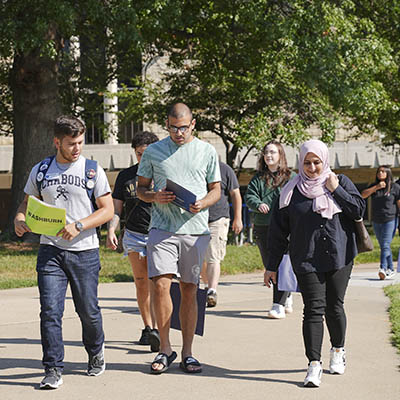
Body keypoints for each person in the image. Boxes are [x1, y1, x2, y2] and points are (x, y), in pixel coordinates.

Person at [14, 116, 114, 389]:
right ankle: (53, 368)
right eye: (71, 143)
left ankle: (95, 351)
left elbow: (108, 210)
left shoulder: (92, 171)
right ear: (57, 142)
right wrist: (20, 219)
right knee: (50, 311)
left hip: (85, 251)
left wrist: (79, 225)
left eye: (80, 142)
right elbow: (26, 203)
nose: (77, 148)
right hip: (50, 252)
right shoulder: (41, 170)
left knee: (88, 311)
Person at [264, 139, 365, 388]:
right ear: (300, 163)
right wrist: (271, 265)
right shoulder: (289, 191)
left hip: (339, 256)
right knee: (312, 310)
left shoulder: (340, 181)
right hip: (306, 258)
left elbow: (358, 209)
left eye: (317, 162)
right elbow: (277, 232)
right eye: (307, 163)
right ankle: (314, 364)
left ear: (325, 161)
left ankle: (338, 351)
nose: (312, 168)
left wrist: (336, 190)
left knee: (334, 306)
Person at [137, 102, 221, 375]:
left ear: (192, 124)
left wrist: (202, 203)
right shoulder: (153, 151)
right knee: (161, 285)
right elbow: (140, 189)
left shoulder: (207, 151)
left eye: (184, 127)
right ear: (167, 125)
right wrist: (154, 197)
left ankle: (188, 352)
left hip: (195, 230)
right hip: (162, 228)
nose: (179, 133)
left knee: (189, 289)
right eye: (174, 128)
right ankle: (164, 348)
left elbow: (216, 190)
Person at [106, 131, 160, 351]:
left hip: (160, 235)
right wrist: (111, 229)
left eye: (147, 154)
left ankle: (160, 328)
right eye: (139, 154)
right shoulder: (125, 177)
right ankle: (148, 328)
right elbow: (116, 209)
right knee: (141, 282)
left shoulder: (165, 175)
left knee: (159, 283)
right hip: (135, 235)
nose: (143, 159)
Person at [245, 140, 296, 319]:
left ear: (280, 155)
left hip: (285, 229)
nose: (269, 155)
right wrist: (258, 204)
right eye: (266, 152)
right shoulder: (258, 178)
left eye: (273, 152)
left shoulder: (292, 177)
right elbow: (250, 196)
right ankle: (286, 294)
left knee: (281, 265)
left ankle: (278, 304)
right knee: (270, 265)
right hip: (263, 226)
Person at [201, 161, 243, 307]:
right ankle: (207, 286)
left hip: (217, 218)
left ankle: (212, 290)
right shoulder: (194, 165)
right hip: (196, 219)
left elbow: (235, 194)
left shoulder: (224, 169)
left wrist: (238, 218)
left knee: (213, 255)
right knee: (199, 258)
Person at [361, 166, 400, 280]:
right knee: (384, 246)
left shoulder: (395, 187)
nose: (380, 173)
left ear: (388, 173)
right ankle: (391, 269)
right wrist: (376, 187)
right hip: (376, 220)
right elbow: (363, 195)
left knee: (385, 245)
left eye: (383, 171)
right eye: (379, 172)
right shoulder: (374, 187)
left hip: (390, 219)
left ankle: (383, 268)